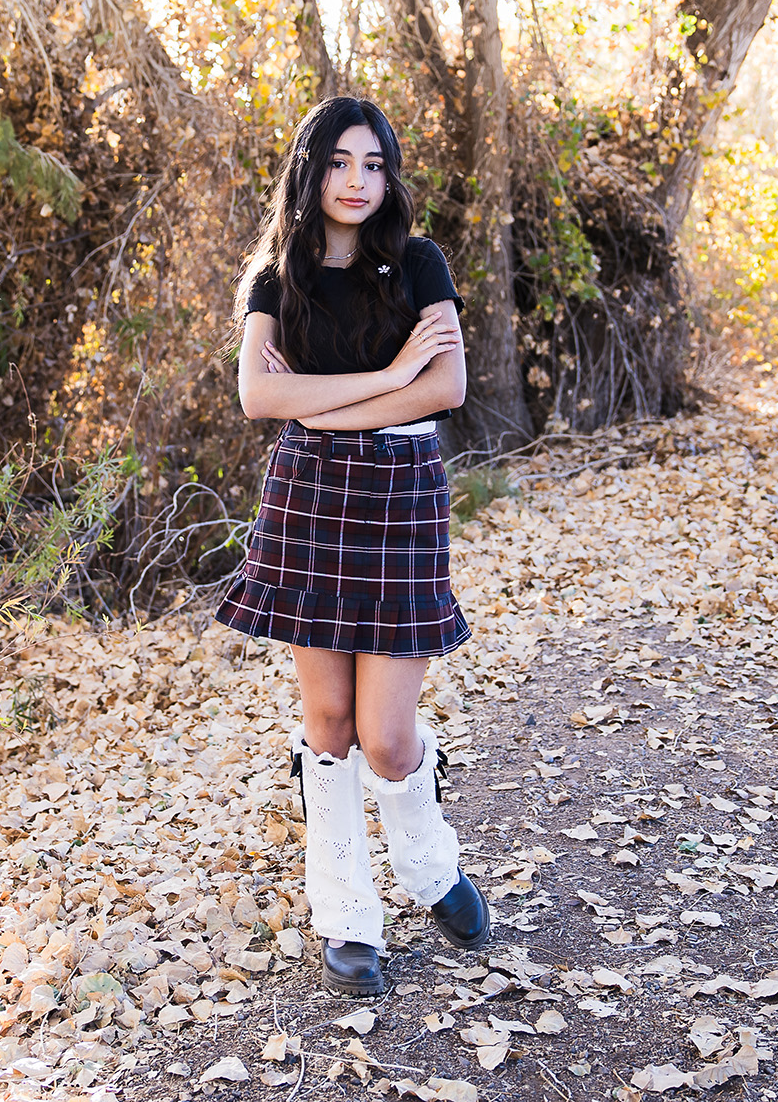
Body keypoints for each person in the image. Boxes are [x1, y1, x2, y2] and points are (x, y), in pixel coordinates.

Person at [216, 96, 491, 997]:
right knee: (330, 724)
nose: (357, 181)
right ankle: (345, 914)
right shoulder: (275, 278)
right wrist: (391, 373)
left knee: (388, 737)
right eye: (339, 162)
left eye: (373, 164)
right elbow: (259, 398)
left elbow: (447, 386)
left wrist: (328, 402)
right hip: (310, 498)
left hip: (402, 495)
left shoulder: (418, 262)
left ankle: (429, 863)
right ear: (311, 170)